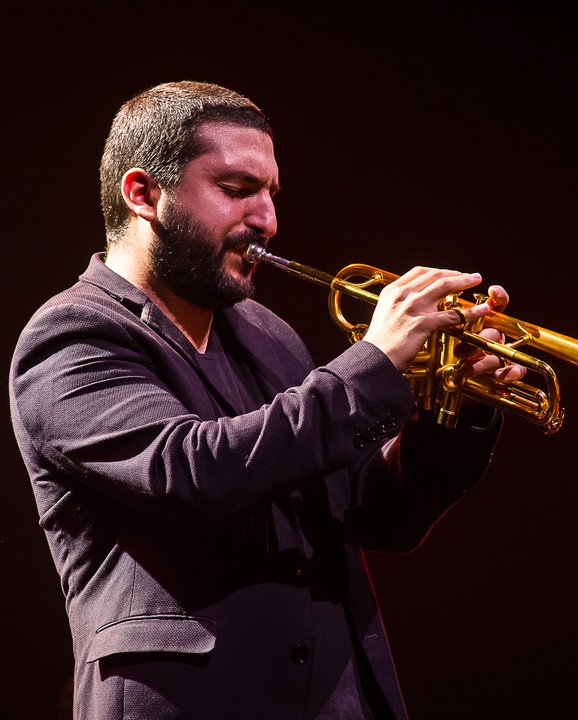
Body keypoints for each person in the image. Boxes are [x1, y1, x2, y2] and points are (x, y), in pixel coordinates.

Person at [9, 80, 524, 720]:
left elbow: (372, 514)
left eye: (271, 194)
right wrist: (376, 362)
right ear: (143, 194)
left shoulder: (265, 331)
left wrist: (455, 410)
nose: (268, 221)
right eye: (236, 190)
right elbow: (192, 473)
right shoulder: (73, 334)